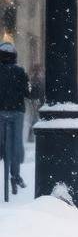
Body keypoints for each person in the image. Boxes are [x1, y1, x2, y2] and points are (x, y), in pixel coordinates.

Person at [0, 42, 30, 193]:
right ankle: (15, 175)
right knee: (16, 143)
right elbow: (28, 92)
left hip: (0, 111)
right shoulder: (20, 71)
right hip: (17, 111)